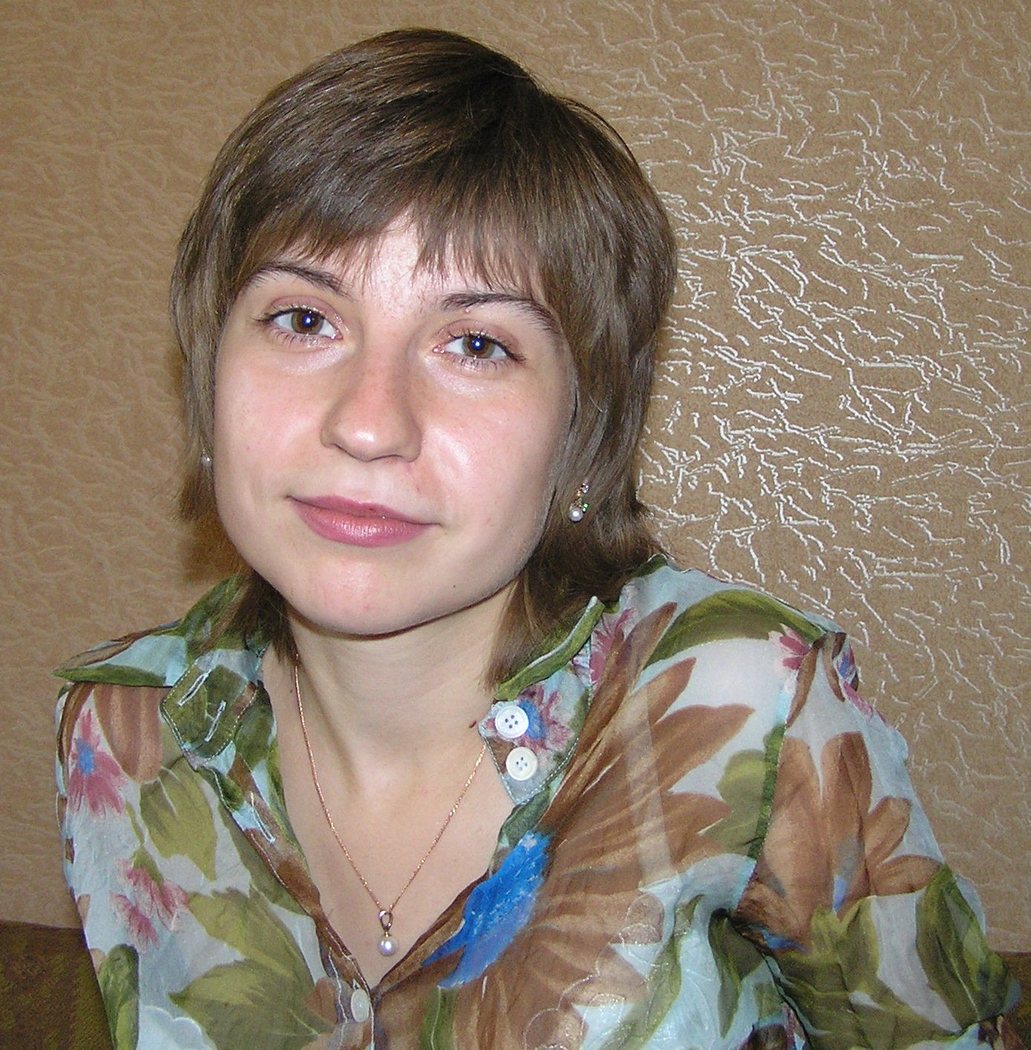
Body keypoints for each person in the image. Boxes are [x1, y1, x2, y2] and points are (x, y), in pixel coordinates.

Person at [55, 27, 1020, 1050]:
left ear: (582, 432)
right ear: (209, 374)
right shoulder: (120, 729)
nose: (369, 423)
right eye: (303, 321)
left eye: (476, 344)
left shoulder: (746, 701)